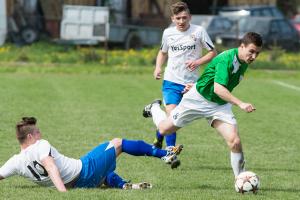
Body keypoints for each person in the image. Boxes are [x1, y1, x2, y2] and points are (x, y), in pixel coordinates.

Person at [143, 32, 262, 178]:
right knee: (164, 129)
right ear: (241, 46)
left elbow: (212, 77)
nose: (254, 57)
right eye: (251, 51)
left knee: (234, 141)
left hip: (219, 105)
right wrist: (240, 103)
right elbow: (219, 89)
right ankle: (154, 108)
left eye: (257, 53)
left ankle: (241, 179)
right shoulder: (227, 59)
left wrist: (198, 83)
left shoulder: (244, 61)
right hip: (197, 100)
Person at [0, 117, 183, 192]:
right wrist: (62, 193)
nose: (41, 135)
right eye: (38, 132)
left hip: (78, 184)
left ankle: (126, 186)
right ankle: (163, 154)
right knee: (117, 143)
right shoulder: (40, 145)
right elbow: (49, 165)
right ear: (31, 136)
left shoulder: (15, 162)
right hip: (83, 171)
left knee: (105, 169)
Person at [151, 2, 217, 149]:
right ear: (172, 19)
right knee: (173, 116)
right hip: (171, 81)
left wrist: (198, 61)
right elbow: (162, 52)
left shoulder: (199, 31)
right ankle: (170, 151)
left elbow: (213, 52)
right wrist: (157, 68)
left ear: (190, 17)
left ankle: (158, 130)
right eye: (178, 18)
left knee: (179, 119)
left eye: (184, 18)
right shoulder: (168, 33)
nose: (181, 21)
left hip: (192, 84)